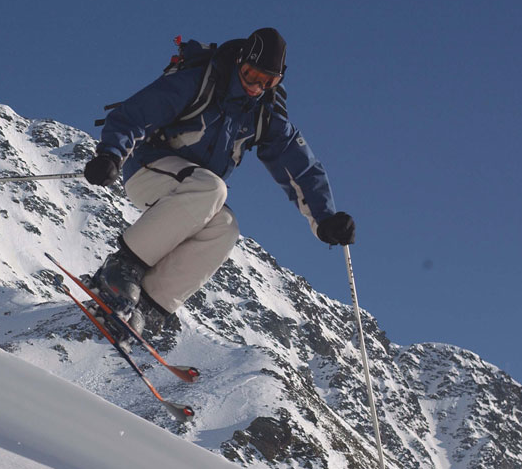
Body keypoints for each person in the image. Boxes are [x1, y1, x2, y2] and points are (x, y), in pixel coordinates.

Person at [83, 28, 355, 349]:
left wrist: (325, 218)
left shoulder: (263, 116)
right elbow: (134, 114)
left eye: (267, 81)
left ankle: (147, 307)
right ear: (240, 62)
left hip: (192, 195)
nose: (256, 86)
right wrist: (110, 155)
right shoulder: (199, 83)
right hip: (147, 168)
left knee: (226, 229)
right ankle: (120, 271)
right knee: (212, 189)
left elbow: (302, 168)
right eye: (251, 74)